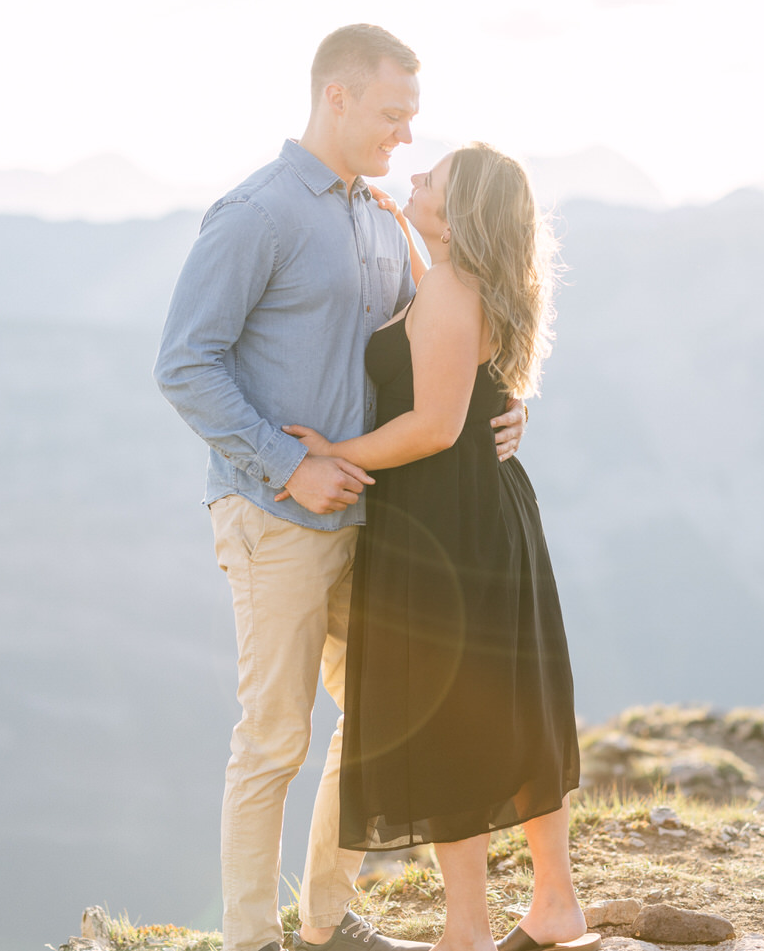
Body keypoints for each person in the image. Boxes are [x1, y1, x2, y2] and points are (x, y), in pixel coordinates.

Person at [153, 27, 526, 951]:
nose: (405, 137)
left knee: (379, 717)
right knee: (274, 738)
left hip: (375, 515)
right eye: (394, 115)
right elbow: (183, 363)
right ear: (339, 98)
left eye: (412, 119)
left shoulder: (380, 218)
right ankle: (249, 938)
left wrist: (506, 407)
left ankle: (324, 919)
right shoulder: (258, 214)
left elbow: (432, 351)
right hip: (273, 516)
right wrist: (289, 465)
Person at [281, 144, 594, 951]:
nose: (414, 178)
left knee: (455, 716)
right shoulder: (466, 279)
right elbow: (446, 344)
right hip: (482, 516)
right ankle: (554, 903)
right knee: (511, 703)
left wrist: (332, 452)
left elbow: (435, 425)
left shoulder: (454, 288)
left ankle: (468, 931)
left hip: (446, 526)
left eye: (434, 180)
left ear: (461, 216)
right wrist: (411, 232)